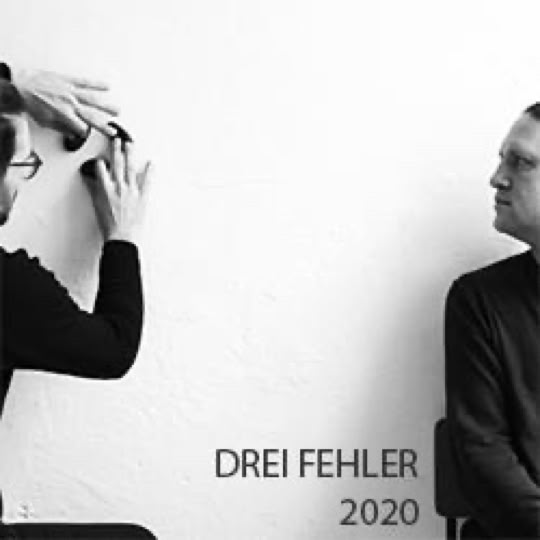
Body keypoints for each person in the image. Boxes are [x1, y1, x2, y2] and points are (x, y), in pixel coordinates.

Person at [0, 64, 155, 539]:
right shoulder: (8, 289)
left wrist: (13, 90)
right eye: (22, 165)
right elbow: (113, 349)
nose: (26, 179)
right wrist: (122, 236)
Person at [445, 103, 540, 539]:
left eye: (521, 162)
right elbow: (482, 453)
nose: (497, 177)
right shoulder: (479, 301)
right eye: (502, 159)